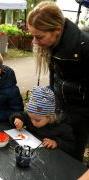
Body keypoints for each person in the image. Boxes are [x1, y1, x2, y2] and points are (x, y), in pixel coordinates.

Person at [27, 1, 89, 161]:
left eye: (38, 36)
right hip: (60, 104)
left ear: (57, 30)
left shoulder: (84, 47)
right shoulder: (53, 43)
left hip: (80, 112)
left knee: (72, 155)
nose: (34, 42)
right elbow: (54, 76)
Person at [10, 86, 75, 156]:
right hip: (31, 152)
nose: (32, 122)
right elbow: (19, 115)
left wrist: (56, 142)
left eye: (37, 120)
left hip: (51, 158)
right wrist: (18, 118)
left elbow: (71, 146)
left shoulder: (62, 127)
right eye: (30, 118)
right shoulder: (34, 116)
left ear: (50, 117)